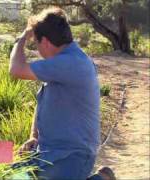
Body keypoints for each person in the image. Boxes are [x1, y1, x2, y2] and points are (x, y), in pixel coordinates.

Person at [9, 7, 115, 179]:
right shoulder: (59, 62)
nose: (36, 47)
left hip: (73, 155)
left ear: (45, 42)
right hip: (47, 151)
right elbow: (44, 102)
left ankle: (102, 178)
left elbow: (16, 70)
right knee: (10, 175)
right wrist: (33, 137)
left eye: (35, 42)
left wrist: (20, 39)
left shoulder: (71, 62)